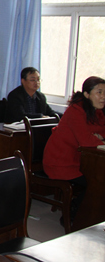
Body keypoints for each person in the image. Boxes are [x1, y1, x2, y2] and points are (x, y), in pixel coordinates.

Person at [43, 76, 105, 220]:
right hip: (60, 162)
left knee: (99, 178)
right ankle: (72, 215)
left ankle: (90, 216)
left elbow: (102, 131)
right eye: (99, 92)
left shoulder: (97, 110)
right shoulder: (75, 110)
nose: (103, 97)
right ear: (87, 94)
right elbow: (85, 141)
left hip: (80, 161)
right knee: (97, 183)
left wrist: (98, 137)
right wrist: (98, 138)